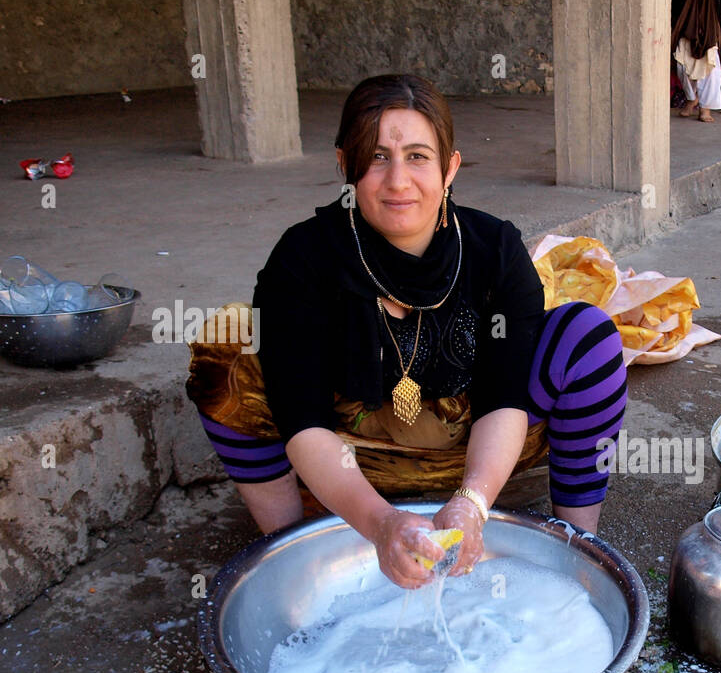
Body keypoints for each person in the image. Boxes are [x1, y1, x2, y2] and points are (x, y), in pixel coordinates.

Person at [185, 74, 628, 590]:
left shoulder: (494, 249)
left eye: (418, 156)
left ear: (450, 168)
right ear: (344, 166)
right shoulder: (303, 260)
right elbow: (302, 420)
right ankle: (297, 555)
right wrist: (381, 524)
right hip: (351, 459)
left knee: (587, 336)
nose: (398, 180)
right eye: (376, 157)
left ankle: (576, 553)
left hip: (477, 454)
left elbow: (504, 398)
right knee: (227, 342)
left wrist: (473, 502)